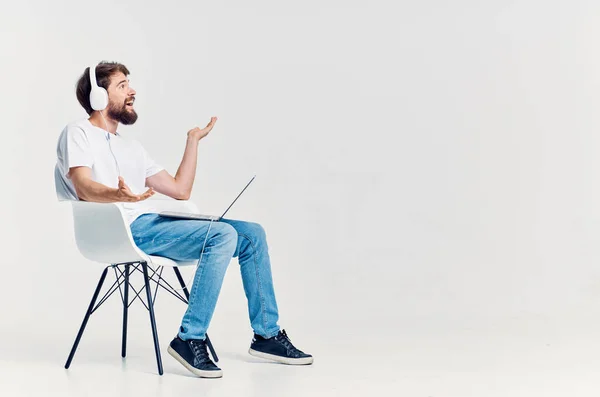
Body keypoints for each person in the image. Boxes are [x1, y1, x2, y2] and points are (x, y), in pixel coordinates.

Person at [55, 61, 313, 378]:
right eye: (122, 85)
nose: (132, 90)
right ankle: (189, 338)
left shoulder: (131, 147)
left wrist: (192, 140)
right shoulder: (77, 133)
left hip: (153, 224)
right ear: (97, 97)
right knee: (222, 236)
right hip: (122, 230)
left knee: (252, 234)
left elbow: (180, 189)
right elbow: (83, 185)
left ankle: (267, 336)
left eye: (129, 84)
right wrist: (118, 196)